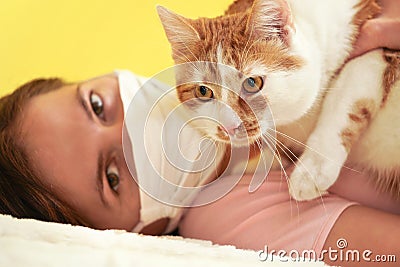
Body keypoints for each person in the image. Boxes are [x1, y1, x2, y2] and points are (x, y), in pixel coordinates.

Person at [0, 1, 399, 266]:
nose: (132, 129)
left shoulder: (224, 51)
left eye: (98, 107)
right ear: (141, 231)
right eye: (112, 177)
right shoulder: (221, 213)